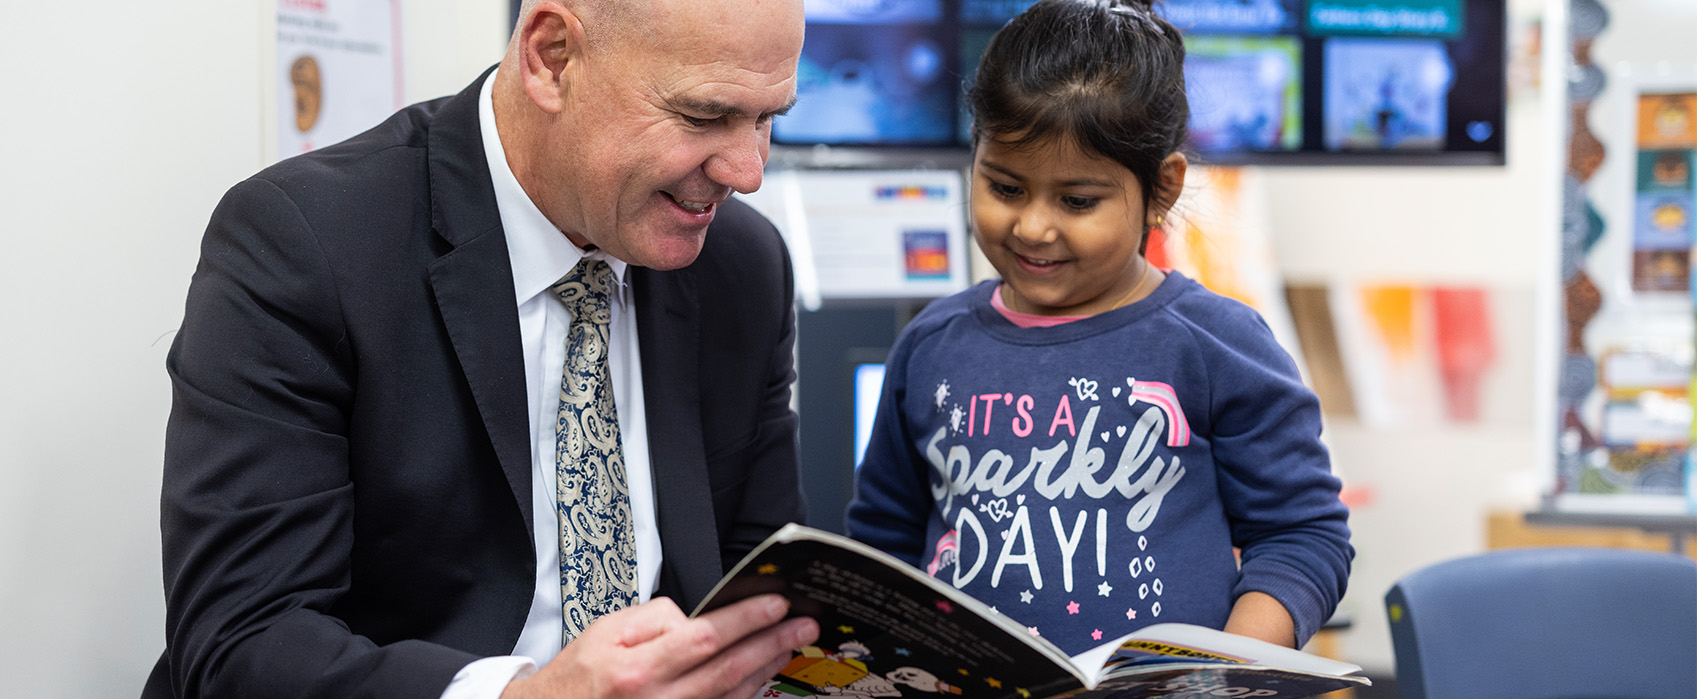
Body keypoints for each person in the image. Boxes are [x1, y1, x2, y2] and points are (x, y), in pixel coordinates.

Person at [146, 1, 819, 697]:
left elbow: (759, 588)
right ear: (551, 57)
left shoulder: (742, 267)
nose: (747, 171)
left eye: (769, 118)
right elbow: (241, 643)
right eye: (704, 114)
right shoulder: (309, 245)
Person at [844, 0, 1353, 657]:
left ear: (1162, 188)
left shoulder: (1216, 342)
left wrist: (1228, 664)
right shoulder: (930, 344)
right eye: (1003, 187)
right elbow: (882, 541)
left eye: (1077, 201)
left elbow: (1302, 536)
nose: (1032, 226)